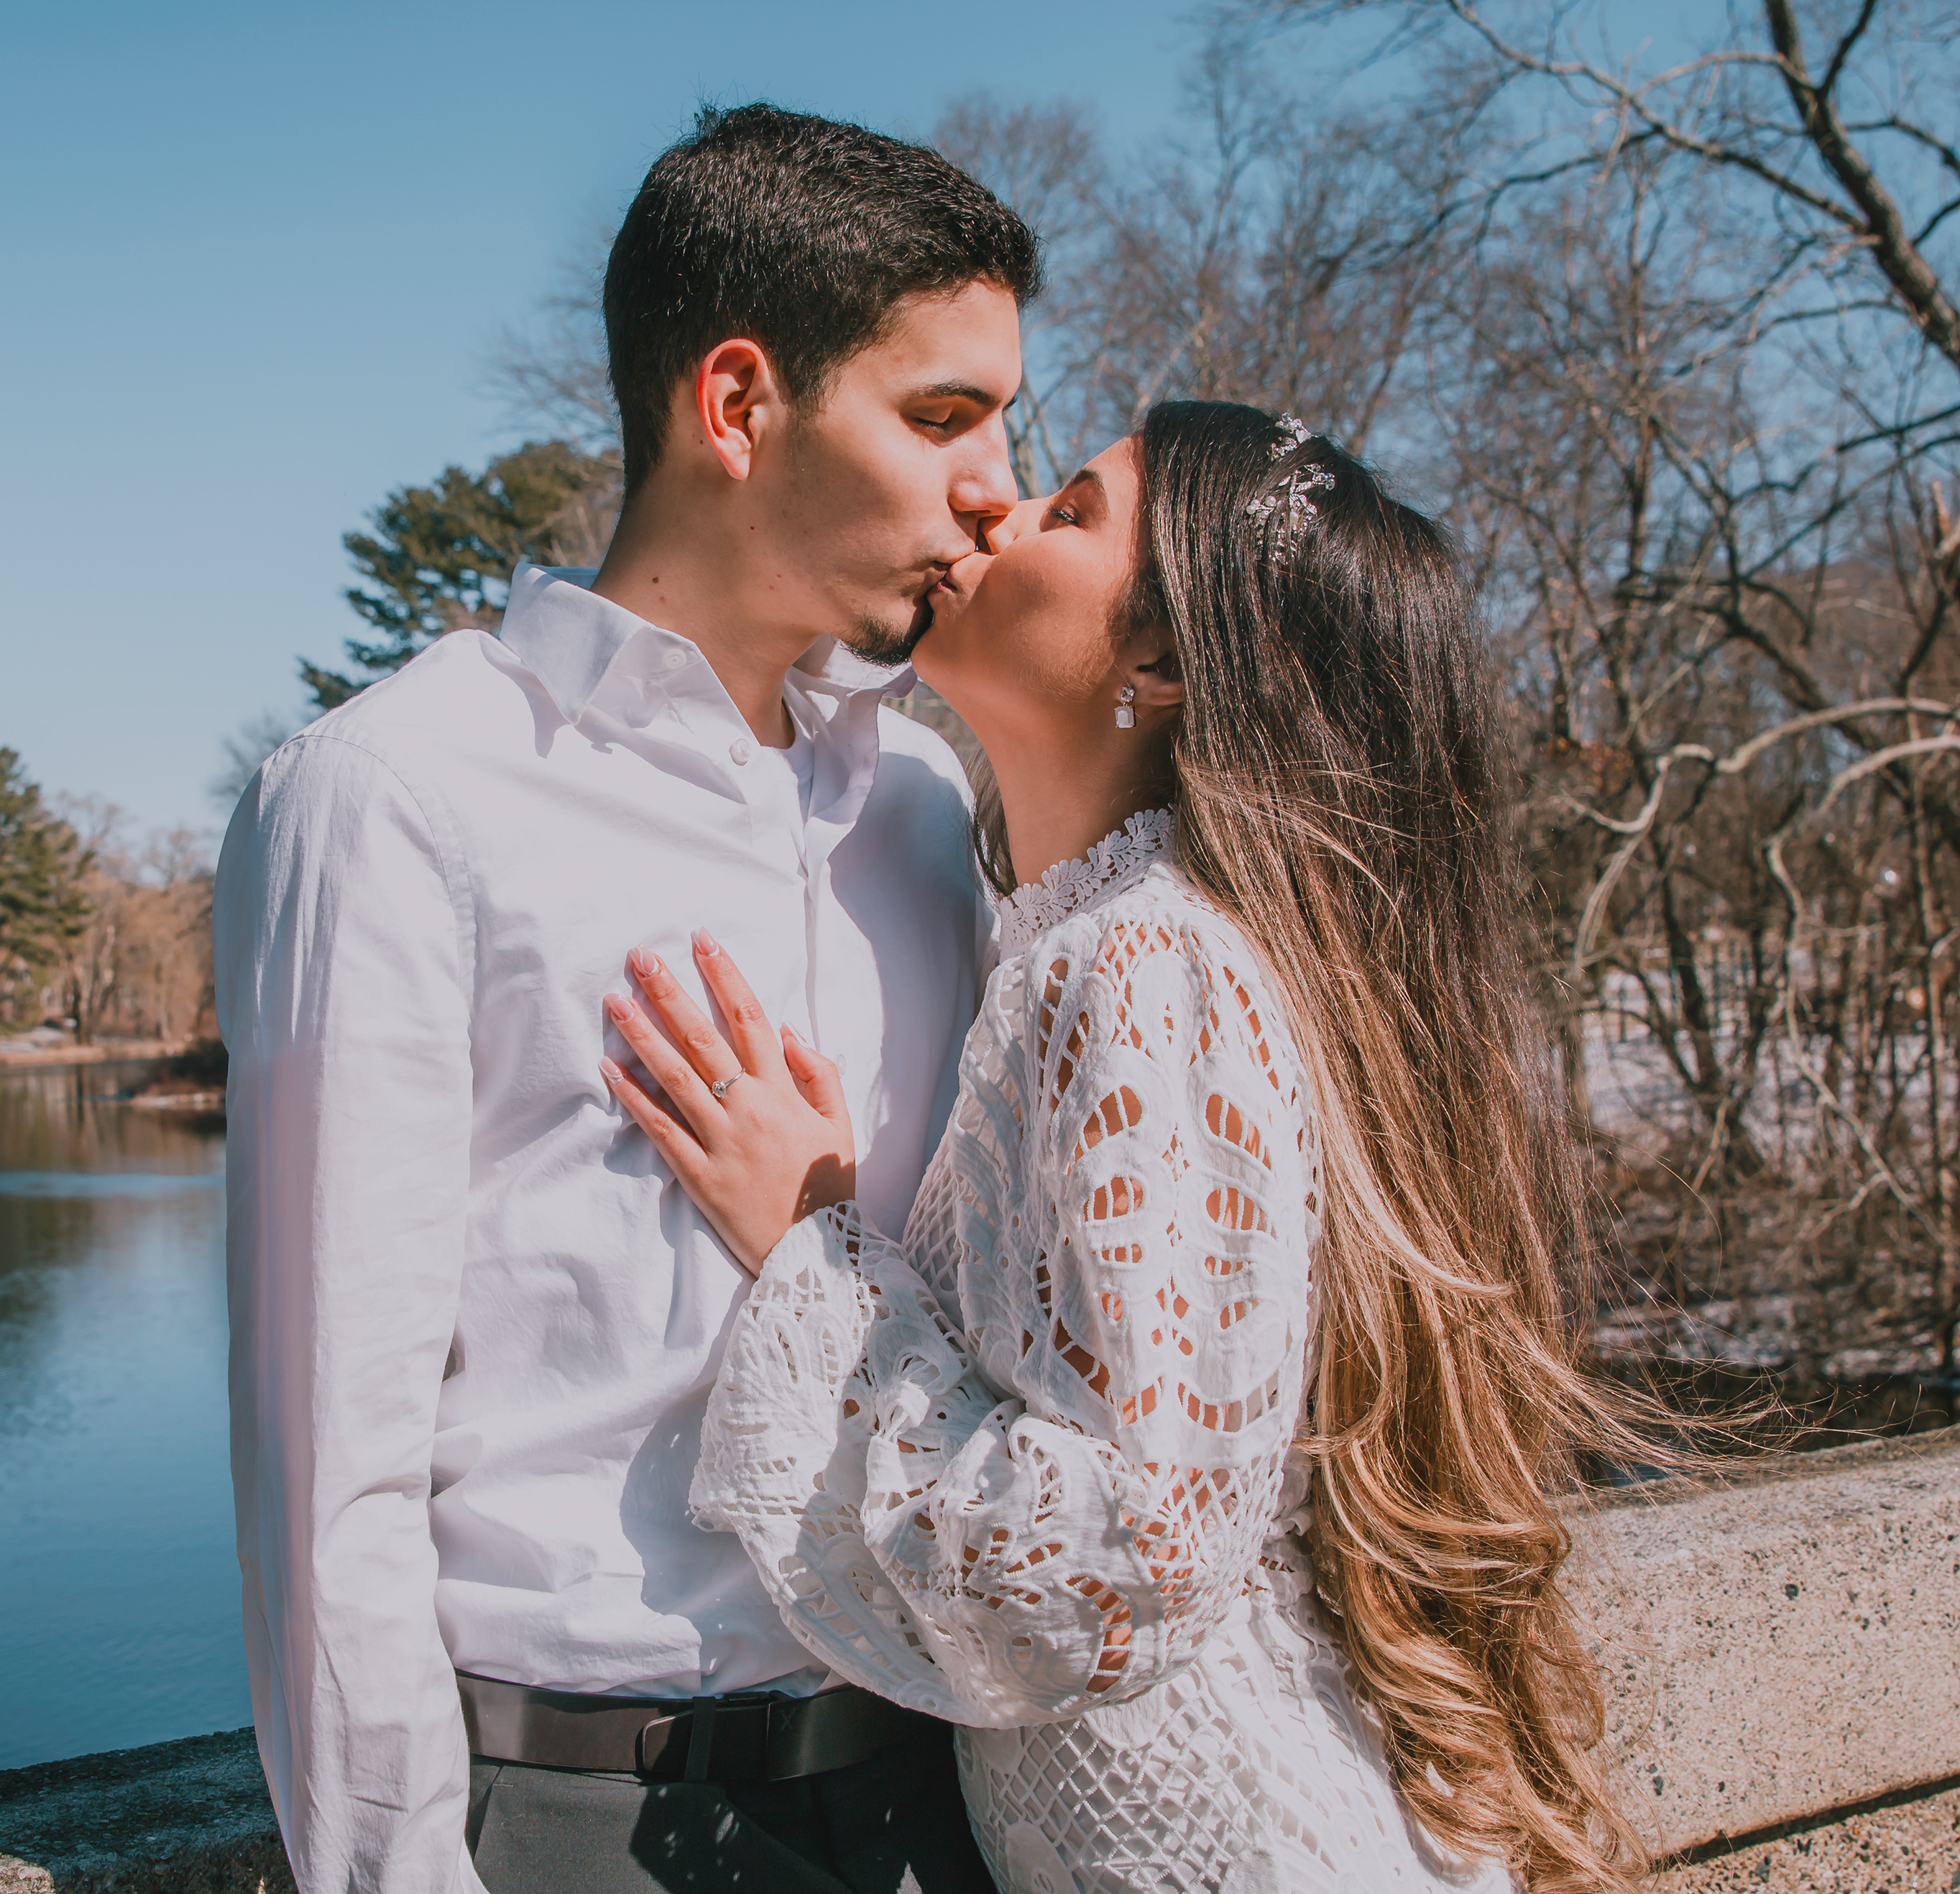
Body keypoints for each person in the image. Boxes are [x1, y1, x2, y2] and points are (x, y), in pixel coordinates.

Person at [602, 403, 1657, 1892]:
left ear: (1157, 663)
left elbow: (1129, 1551)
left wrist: (812, 1251)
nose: (999, 509)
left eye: (1072, 511)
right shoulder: (1097, 944)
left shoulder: (1144, 963)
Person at [216, 105, 1037, 1893]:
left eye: (1006, 424)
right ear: (738, 404)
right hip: (582, 1820)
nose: (998, 488)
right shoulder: (393, 794)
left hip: (939, 1803)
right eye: (942, 416)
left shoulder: (923, 807)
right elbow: (329, 1474)